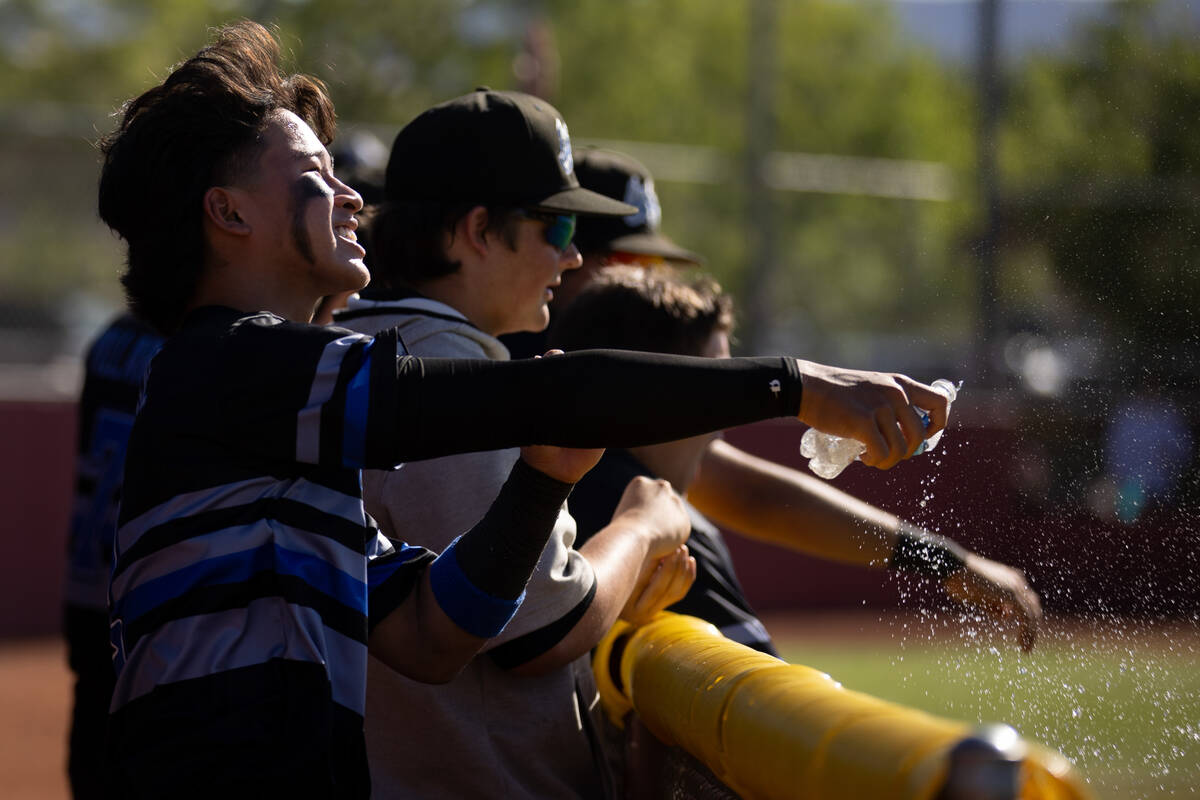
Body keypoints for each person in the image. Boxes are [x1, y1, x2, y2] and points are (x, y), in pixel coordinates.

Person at [96, 22, 951, 798]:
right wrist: (795, 385)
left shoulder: (279, 422)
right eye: (314, 177)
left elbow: (435, 632)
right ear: (228, 211)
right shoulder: (231, 365)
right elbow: (552, 395)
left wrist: (543, 480)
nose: (355, 196)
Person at [335, 88, 696, 799]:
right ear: (476, 230)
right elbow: (538, 632)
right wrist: (642, 526)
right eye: (558, 229)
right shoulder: (438, 360)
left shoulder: (363, 347)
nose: (573, 258)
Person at [553, 264, 1043, 656]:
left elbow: (759, 498)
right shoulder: (652, 524)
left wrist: (946, 562)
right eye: (715, 392)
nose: (724, 420)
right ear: (660, 393)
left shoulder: (582, 479)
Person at [62, 312, 162, 799]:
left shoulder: (110, 339)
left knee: (92, 761)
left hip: (88, 585)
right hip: (146, 603)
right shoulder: (193, 350)